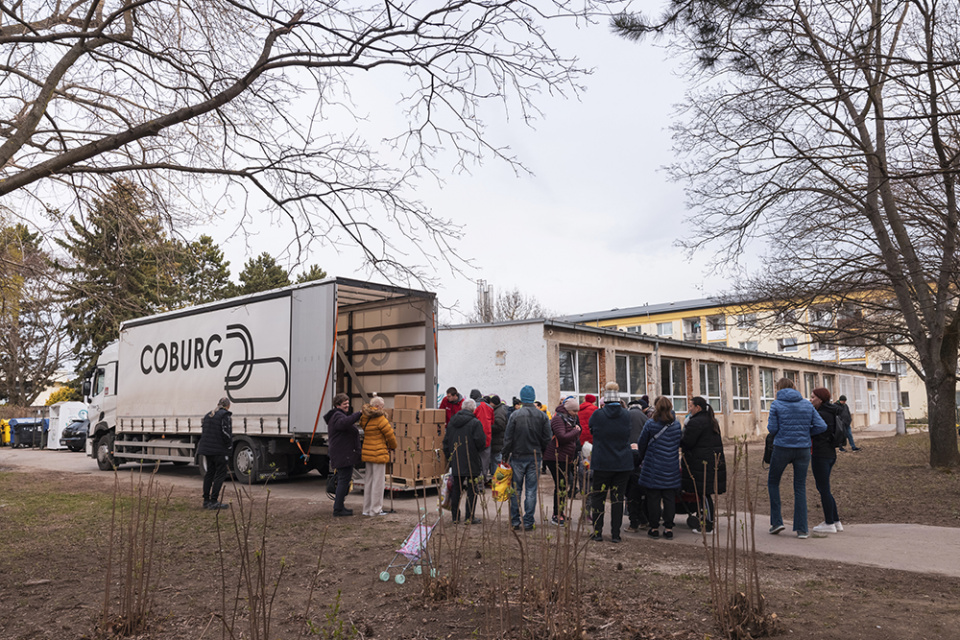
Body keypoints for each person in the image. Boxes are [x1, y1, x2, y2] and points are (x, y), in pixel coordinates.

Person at [767, 378, 827, 538]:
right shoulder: (807, 404)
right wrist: (805, 433)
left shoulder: (776, 404)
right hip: (803, 449)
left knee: (773, 482)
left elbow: (772, 428)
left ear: (778, 388)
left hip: (782, 448)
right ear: (794, 387)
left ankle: (777, 522)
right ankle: (802, 529)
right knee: (799, 486)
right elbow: (821, 426)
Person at [588, 382, 633, 543]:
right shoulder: (626, 414)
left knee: (598, 498)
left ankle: (598, 532)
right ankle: (615, 534)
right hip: (623, 463)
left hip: (602, 463)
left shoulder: (597, 415)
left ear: (604, 399)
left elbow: (592, 430)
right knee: (617, 499)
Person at [501, 384, 552, 531]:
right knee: (531, 490)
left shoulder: (515, 415)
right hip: (535, 457)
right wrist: (541, 450)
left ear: (522, 398)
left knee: (516, 489)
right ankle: (528, 522)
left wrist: (505, 455)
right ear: (533, 397)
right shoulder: (542, 416)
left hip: (517, 456)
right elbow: (547, 438)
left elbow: (508, 437)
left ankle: (515, 521)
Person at [637, 396, 683, 539]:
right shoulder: (676, 425)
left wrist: (643, 457)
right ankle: (668, 528)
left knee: (653, 499)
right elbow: (679, 442)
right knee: (669, 498)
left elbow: (641, 443)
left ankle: (654, 527)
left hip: (653, 466)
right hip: (671, 466)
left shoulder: (651, 424)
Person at [681, 396, 727, 533]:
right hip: (709, 461)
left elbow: (687, 442)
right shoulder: (710, 420)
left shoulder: (696, 422)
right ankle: (704, 520)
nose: (689, 409)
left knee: (703, 494)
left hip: (702, 463)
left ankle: (708, 525)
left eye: (690, 406)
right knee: (703, 494)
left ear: (697, 408)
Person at [442, 398, 487, 524]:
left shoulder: (452, 422)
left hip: (456, 460)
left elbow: (445, 443)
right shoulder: (475, 423)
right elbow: (481, 443)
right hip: (471, 460)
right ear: (473, 409)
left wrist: (450, 457)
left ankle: (455, 517)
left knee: (456, 489)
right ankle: (469, 516)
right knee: (472, 490)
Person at [810, 388, 844, 533]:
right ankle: (836, 521)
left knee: (823, 489)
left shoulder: (820, 415)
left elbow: (813, 431)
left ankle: (829, 523)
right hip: (830, 454)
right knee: (825, 489)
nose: (810, 400)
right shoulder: (832, 412)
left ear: (820, 399)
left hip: (820, 455)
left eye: (813, 397)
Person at [544, 397, 581, 526]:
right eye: (574, 411)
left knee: (563, 485)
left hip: (564, 457)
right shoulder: (558, 419)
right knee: (560, 486)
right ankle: (556, 514)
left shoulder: (568, 418)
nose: (576, 413)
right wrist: (576, 431)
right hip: (555, 457)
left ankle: (560, 512)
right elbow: (562, 437)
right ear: (568, 410)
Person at [324, 393, 363, 517]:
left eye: (348, 403)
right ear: (337, 405)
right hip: (342, 454)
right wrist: (359, 414)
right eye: (344, 404)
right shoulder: (337, 416)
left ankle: (339, 506)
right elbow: (344, 423)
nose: (347, 405)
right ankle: (338, 509)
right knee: (343, 481)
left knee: (344, 480)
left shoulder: (337, 415)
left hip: (342, 454)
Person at [360, 395, 398, 517]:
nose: (384, 408)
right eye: (382, 406)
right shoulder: (381, 419)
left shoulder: (365, 417)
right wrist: (393, 446)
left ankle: (366, 509)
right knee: (378, 482)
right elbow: (390, 435)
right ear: (377, 406)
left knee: (369, 481)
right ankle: (376, 510)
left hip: (367, 452)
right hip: (379, 453)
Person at [198, 397, 232, 510]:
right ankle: (214, 500)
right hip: (219, 450)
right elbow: (226, 433)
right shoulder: (225, 415)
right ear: (228, 406)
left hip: (207, 449)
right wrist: (229, 446)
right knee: (220, 474)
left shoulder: (208, 415)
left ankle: (206, 501)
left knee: (209, 474)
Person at [625, 398, 649, 531]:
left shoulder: (626, 415)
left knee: (631, 492)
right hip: (642, 457)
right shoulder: (645, 417)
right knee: (640, 492)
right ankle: (644, 519)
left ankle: (635, 520)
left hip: (628, 456)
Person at [473, 392, 495, 481]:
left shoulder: (474, 407)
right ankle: (482, 481)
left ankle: (476, 482)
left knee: (475, 461)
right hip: (487, 438)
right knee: (485, 462)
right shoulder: (490, 408)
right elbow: (492, 422)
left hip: (476, 438)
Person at [490, 395, 509, 478]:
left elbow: (500, 426)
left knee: (497, 461)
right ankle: (496, 478)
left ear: (493, 403)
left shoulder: (499, 412)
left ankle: (497, 479)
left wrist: (489, 427)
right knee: (496, 460)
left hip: (498, 441)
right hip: (498, 441)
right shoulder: (498, 410)